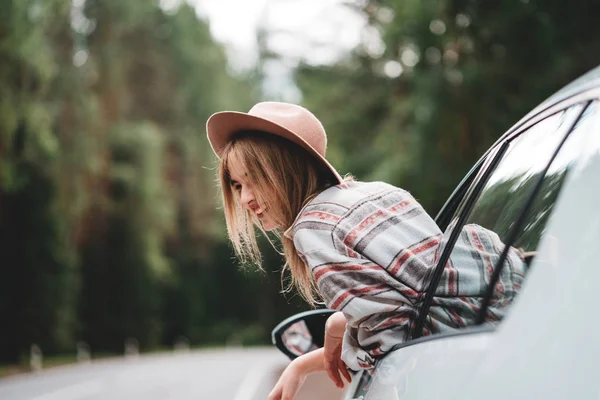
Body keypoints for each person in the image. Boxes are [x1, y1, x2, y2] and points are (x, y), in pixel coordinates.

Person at [206, 102, 526, 400]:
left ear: (287, 168)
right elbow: (418, 292)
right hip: (507, 320)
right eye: (237, 185)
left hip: (463, 360)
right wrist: (311, 354)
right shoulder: (378, 192)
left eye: (255, 179)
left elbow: (392, 340)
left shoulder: (313, 230)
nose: (246, 198)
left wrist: (356, 352)